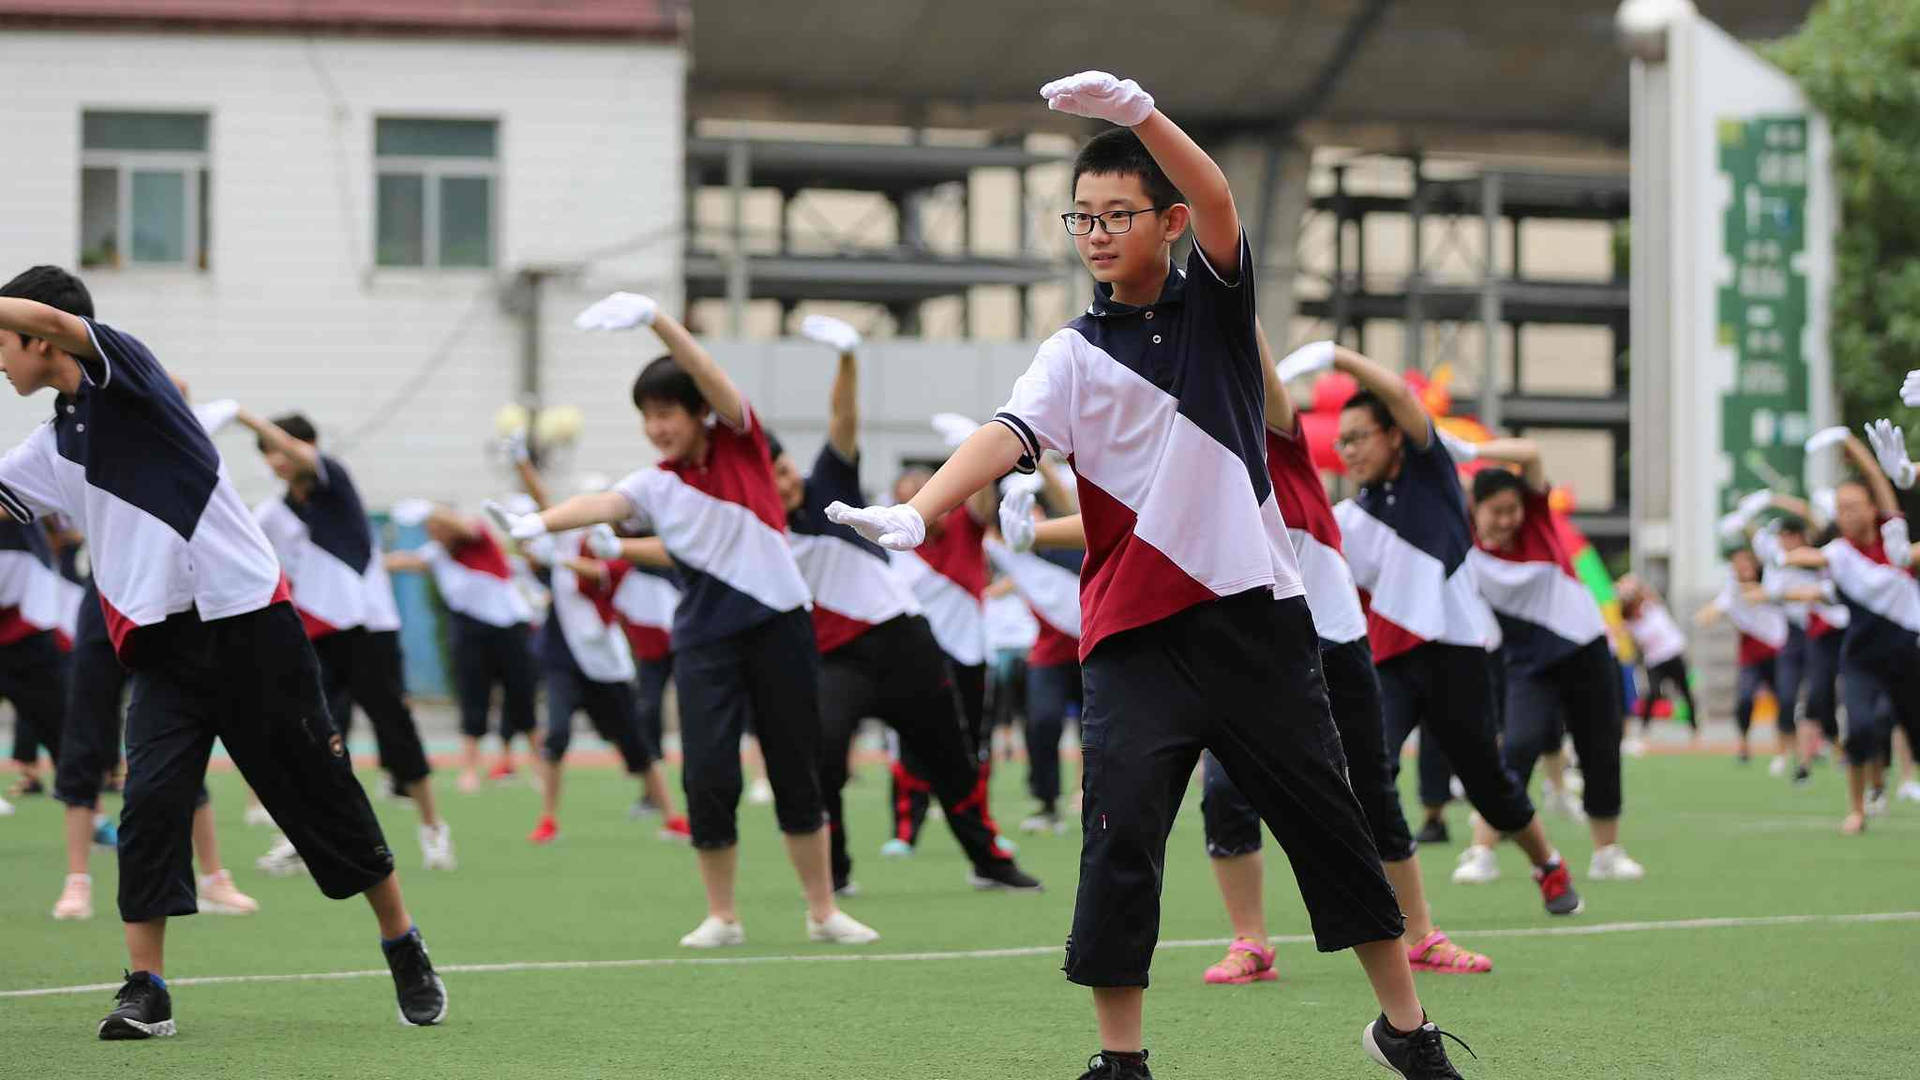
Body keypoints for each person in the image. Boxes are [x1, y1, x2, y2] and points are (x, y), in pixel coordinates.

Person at [822, 73, 1467, 1079]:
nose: (1097, 233)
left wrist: (1139, 116)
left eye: (1118, 214)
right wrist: (920, 508)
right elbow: (1008, 432)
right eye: (1082, 218)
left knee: (1332, 829)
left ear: (1163, 223)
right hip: (1132, 638)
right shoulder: (1071, 354)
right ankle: (1121, 1061)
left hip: (1255, 624)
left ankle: (1406, 1029)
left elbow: (1218, 200)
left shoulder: (1215, 312)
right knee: (1118, 842)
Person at [0, 265, 444, 1038]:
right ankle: (147, 988)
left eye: (3, 343)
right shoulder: (47, 447)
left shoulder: (126, 375)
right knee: (148, 806)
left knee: (320, 787)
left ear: (42, 337)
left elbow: (72, 329)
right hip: (162, 648)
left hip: (249, 626)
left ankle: (401, 940)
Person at [1008, 329, 1496, 985]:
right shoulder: (1182, 467)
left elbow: (1244, 332)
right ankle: (1251, 941)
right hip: (1249, 652)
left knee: (1369, 791)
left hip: (1332, 638)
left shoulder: (1278, 442)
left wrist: (1233, 303)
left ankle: (1421, 933)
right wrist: (1033, 532)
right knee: (1227, 795)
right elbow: (1120, 521)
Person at [489, 292, 878, 949]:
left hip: (780, 626)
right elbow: (599, 502)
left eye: (667, 413)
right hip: (703, 638)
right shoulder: (654, 484)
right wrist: (537, 522)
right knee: (708, 774)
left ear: (698, 412)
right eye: (647, 417)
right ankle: (722, 916)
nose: (657, 428)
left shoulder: (742, 446)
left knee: (794, 768)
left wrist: (655, 322)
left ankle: (822, 911)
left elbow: (710, 375)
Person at [1303, 340, 1582, 911]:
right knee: (1367, 775)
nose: (1348, 450)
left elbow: (1403, 397)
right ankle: (1395, 911)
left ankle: (1547, 864)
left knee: (1490, 785)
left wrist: (1337, 356)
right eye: (1341, 441)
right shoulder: (1349, 519)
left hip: (1457, 655)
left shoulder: (1431, 471)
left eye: (1359, 437)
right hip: (1389, 660)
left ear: (1395, 436)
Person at [771, 313, 1037, 893]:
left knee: (952, 758)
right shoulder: (759, 530)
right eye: (773, 478)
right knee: (824, 755)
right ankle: (834, 872)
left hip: (904, 643)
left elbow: (843, 420)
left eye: (786, 468)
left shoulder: (826, 492)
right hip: (837, 660)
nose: (785, 482)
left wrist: (847, 357)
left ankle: (989, 862)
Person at [240, 411, 454, 872]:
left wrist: (244, 418)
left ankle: (433, 828)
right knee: (316, 738)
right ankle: (311, 839)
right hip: (316, 636)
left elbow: (306, 458)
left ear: (308, 446)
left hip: (368, 627)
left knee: (393, 727)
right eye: (268, 453)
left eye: (283, 449)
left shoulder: (333, 482)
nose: (276, 460)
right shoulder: (271, 515)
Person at [1462, 440, 1645, 883]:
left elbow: (1530, 453)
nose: (1507, 520)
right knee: (1518, 748)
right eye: (1497, 512)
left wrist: (1464, 448)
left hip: (1585, 650)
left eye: (1513, 509)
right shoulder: (1461, 540)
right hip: (1527, 664)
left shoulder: (1538, 521)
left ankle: (1607, 853)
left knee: (1600, 750)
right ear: (1476, 509)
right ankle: (1480, 852)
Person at [504, 455, 687, 845]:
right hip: (562, 654)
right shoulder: (567, 538)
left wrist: (563, 562)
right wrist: (521, 461)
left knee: (635, 743)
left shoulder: (616, 548)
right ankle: (548, 820)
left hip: (603, 660)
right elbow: (544, 502)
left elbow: (600, 575)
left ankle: (671, 816)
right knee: (556, 734)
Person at [1780, 422, 1920, 833]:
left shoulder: (1892, 538)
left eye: (1854, 506)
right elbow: (1810, 558)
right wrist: (1785, 560)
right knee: (1858, 728)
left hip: (1907, 651)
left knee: (1908, 729)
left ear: (1872, 509)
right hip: (1860, 655)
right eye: (1840, 508)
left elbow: (1881, 479)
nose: (1846, 514)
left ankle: (1890, 783)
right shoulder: (1838, 553)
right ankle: (1857, 808)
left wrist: (1848, 442)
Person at [385, 500, 540, 794]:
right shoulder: (436, 553)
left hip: (509, 627)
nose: (431, 532)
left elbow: (463, 526)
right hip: (469, 629)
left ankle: (538, 763)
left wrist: (431, 509)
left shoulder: (476, 538)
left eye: (435, 526)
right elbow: (406, 561)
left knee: (521, 694)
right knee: (473, 696)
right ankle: (470, 769)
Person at [990, 469, 1085, 836]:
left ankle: (1092, 798)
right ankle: (1046, 802)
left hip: (1092, 649)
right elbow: (982, 516)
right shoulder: (1013, 552)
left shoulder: (1068, 542)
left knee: (1095, 731)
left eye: (1033, 509)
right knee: (1042, 722)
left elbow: (1065, 505)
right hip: (1047, 654)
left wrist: (1041, 460)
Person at [1693, 546, 1789, 764]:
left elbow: (1760, 595)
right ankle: (1744, 744)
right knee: (1745, 699)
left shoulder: (1771, 582)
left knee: (1784, 699)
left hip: (1775, 651)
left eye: (1746, 563)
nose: (1742, 568)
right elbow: (1718, 606)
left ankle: (1782, 749)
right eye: (1737, 564)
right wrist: (1704, 616)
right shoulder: (1732, 589)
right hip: (1749, 655)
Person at [1616, 576, 1695, 749]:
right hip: (1654, 660)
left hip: (1673, 653)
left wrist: (1630, 585)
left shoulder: (1651, 607)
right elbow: (1618, 628)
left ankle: (1694, 728)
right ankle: (1644, 730)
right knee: (1651, 693)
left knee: (1684, 690)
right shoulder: (1631, 624)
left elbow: (1646, 590)